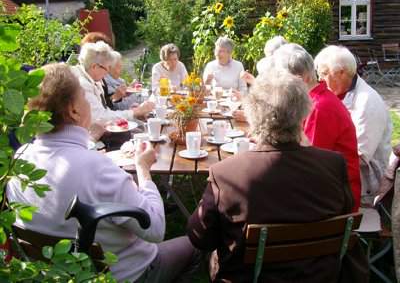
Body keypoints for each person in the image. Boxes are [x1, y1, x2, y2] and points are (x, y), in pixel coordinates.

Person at [7, 63, 199, 283]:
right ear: (74, 110)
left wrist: (89, 140)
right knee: (195, 245)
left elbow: (64, 164)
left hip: (57, 274)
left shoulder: (20, 160)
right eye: (85, 97)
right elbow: (155, 229)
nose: (89, 103)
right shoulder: (96, 166)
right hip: (123, 275)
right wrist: (143, 170)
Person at [187, 71, 368, 282]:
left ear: (252, 116)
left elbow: (199, 237)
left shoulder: (226, 174)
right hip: (319, 277)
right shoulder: (334, 164)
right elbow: (343, 216)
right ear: (303, 114)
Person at [272, 43, 361, 210]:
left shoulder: (320, 107)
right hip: (325, 186)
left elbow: (308, 163)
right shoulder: (313, 100)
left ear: (301, 79)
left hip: (336, 198)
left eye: (281, 80)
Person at [315, 45, 392, 205]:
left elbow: (359, 156)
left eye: (324, 73)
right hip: (342, 176)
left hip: (366, 188)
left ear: (341, 72)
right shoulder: (339, 93)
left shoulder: (367, 102)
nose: (320, 79)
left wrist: (318, 162)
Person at [71, 41, 154, 124]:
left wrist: (131, 111)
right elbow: (100, 117)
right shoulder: (82, 84)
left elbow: (105, 109)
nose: (107, 73)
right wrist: (135, 112)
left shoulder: (92, 79)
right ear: (95, 67)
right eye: (106, 69)